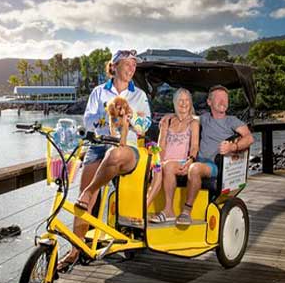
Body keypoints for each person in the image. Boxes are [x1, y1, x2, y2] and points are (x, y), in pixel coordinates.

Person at [56, 49, 151, 271]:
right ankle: (75, 251)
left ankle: (90, 192)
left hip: (126, 147)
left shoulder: (139, 96)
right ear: (115, 66)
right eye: (127, 64)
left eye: (134, 66)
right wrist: (106, 118)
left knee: (111, 160)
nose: (131, 69)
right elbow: (88, 121)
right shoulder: (99, 92)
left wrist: (132, 117)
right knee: (83, 202)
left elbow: (146, 127)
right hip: (99, 145)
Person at [179, 85, 254, 226]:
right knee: (167, 166)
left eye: (225, 99)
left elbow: (249, 138)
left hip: (215, 165)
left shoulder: (231, 121)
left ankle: (186, 211)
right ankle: (164, 210)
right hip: (197, 160)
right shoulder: (204, 118)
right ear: (209, 102)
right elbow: (185, 118)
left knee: (194, 169)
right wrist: (169, 118)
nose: (223, 102)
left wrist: (233, 146)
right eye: (218, 99)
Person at [147, 88, 200, 223]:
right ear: (175, 103)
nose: (183, 103)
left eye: (186, 100)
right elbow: (160, 145)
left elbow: (194, 146)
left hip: (182, 162)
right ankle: (142, 208)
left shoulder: (193, 123)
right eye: (180, 100)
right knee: (156, 168)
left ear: (190, 102)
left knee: (167, 166)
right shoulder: (168, 121)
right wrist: (157, 160)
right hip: (163, 162)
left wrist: (190, 160)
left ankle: (168, 210)